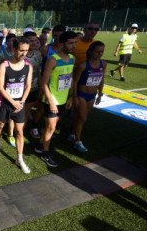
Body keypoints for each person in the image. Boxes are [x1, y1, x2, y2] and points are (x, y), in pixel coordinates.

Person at [35, 31, 78, 168]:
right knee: (51, 127)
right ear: (62, 43)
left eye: (75, 42)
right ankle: (45, 153)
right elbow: (43, 82)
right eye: (70, 43)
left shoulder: (72, 58)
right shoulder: (53, 60)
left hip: (63, 100)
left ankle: (40, 145)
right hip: (51, 101)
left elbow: (70, 78)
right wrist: (51, 101)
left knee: (50, 127)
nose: (73, 46)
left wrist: (71, 97)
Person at [0, 36, 33, 174]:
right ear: (15, 49)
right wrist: (13, 102)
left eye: (26, 51)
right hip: (5, 102)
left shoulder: (28, 66)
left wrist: (21, 102)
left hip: (19, 104)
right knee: (0, 126)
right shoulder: (4, 66)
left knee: (20, 131)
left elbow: (28, 86)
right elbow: (0, 87)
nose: (24, 54)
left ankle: (19, 158)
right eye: (21, 50)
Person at [70, 41, 106, 152]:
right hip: (81, 94)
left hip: (92, 95)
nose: (99, 54)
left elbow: (101, 79)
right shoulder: (83, 65)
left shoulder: (103, 64)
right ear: (90, 52)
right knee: (83, 118)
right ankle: (78, 141)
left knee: (78, 117)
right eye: (97, 52)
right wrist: (74, 96)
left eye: (102, 52)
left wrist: (100, 94)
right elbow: (75, 81)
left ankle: (72, 134)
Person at [22, 31, 42, 141]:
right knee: (20, 112)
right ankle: (15, 132)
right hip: (21, 89)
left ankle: (20, 133)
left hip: (33, 88)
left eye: (35, 40)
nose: (34, 43)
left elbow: (38, 72)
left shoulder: (38, 54)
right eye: (31, 41)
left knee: (26, 112)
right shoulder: (21, 54)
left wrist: (40, 87)